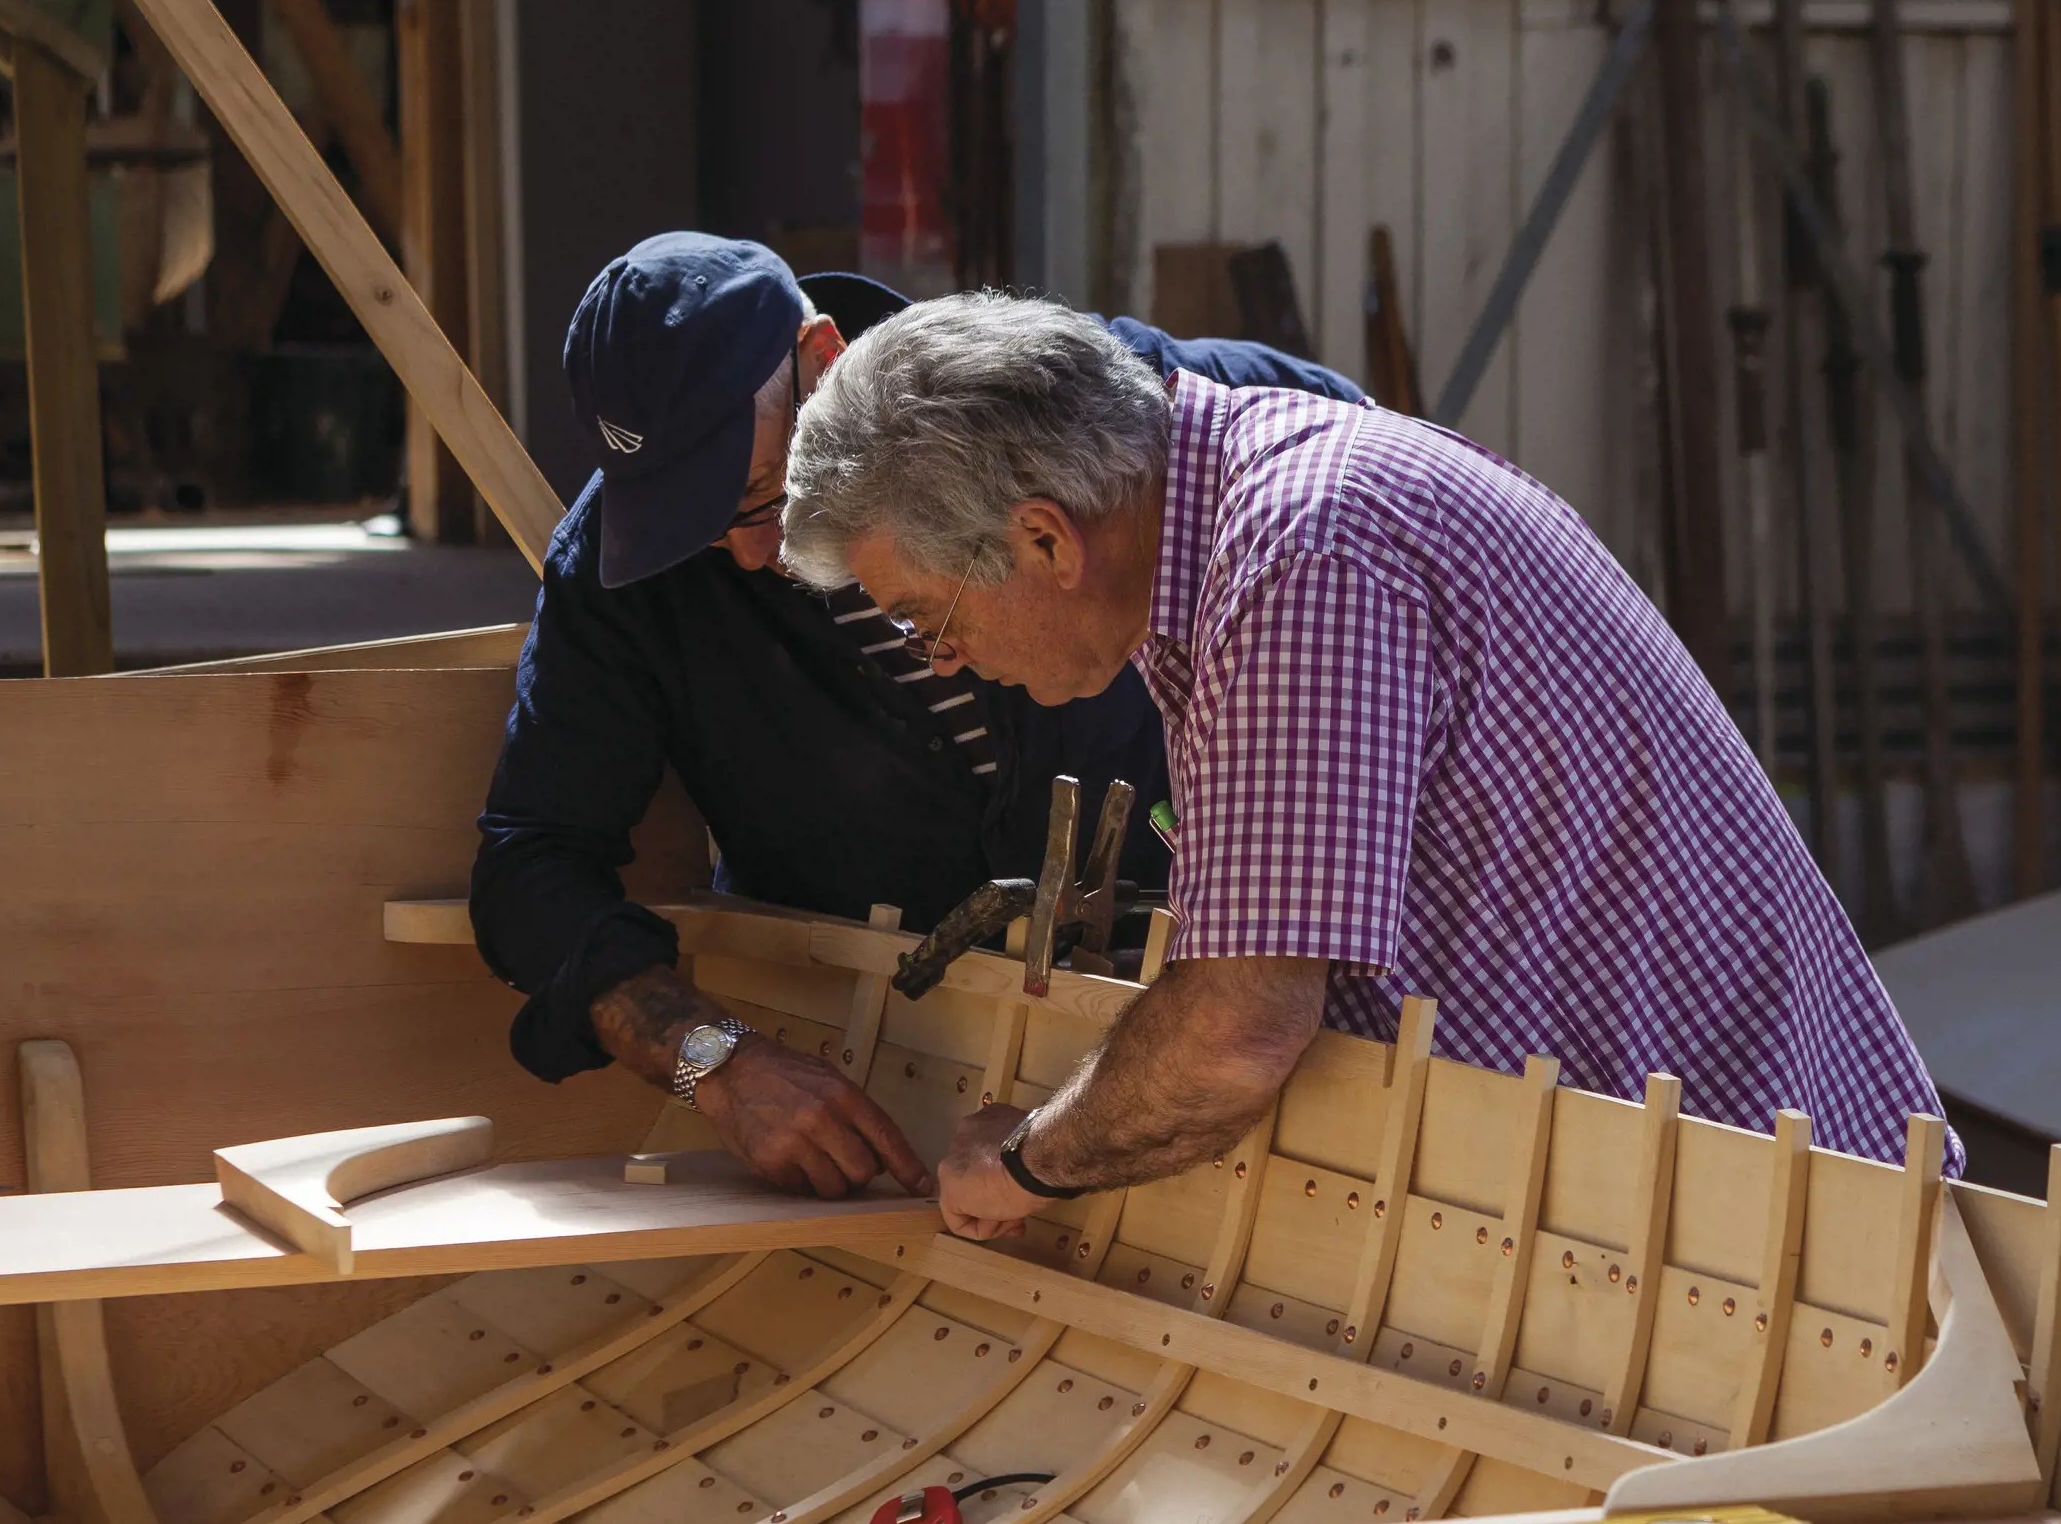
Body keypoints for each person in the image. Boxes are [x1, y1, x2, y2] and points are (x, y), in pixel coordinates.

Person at [777, 294, 1956, 1243]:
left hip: (1773, 1210)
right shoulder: (1257, 500)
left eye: (931, 623)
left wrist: (1031, 1159)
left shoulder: (1299, 558)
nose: (954, 663)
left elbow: (1242, 1026)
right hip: (1698, 1171)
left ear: (1044, 538)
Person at [470, 233, 1360, 1199]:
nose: (747, 556)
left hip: (1203, 1048)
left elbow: (1371, 496)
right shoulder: (627, 572)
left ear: (821, 356)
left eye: (761, 495)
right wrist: (712, 1060)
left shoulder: (1115, 412)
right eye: (697, 524)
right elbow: (531, 863)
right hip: (890, 1095)